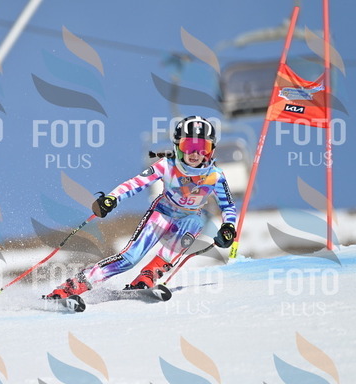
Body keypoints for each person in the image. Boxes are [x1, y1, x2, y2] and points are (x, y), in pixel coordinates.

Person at [44, 115, 238, 299]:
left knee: (196, 221)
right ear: (178, 146)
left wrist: (228, 227)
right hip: (162, 214)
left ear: (211, 150)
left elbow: (228, 206)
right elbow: (135, 183)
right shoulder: (167, 165)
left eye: (202, 147)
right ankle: (73, 286)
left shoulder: (215, 176)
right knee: (130, 258)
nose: (195, 153)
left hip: (188, 219)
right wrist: (111, 198)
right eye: (189, 146)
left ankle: (147, 276)